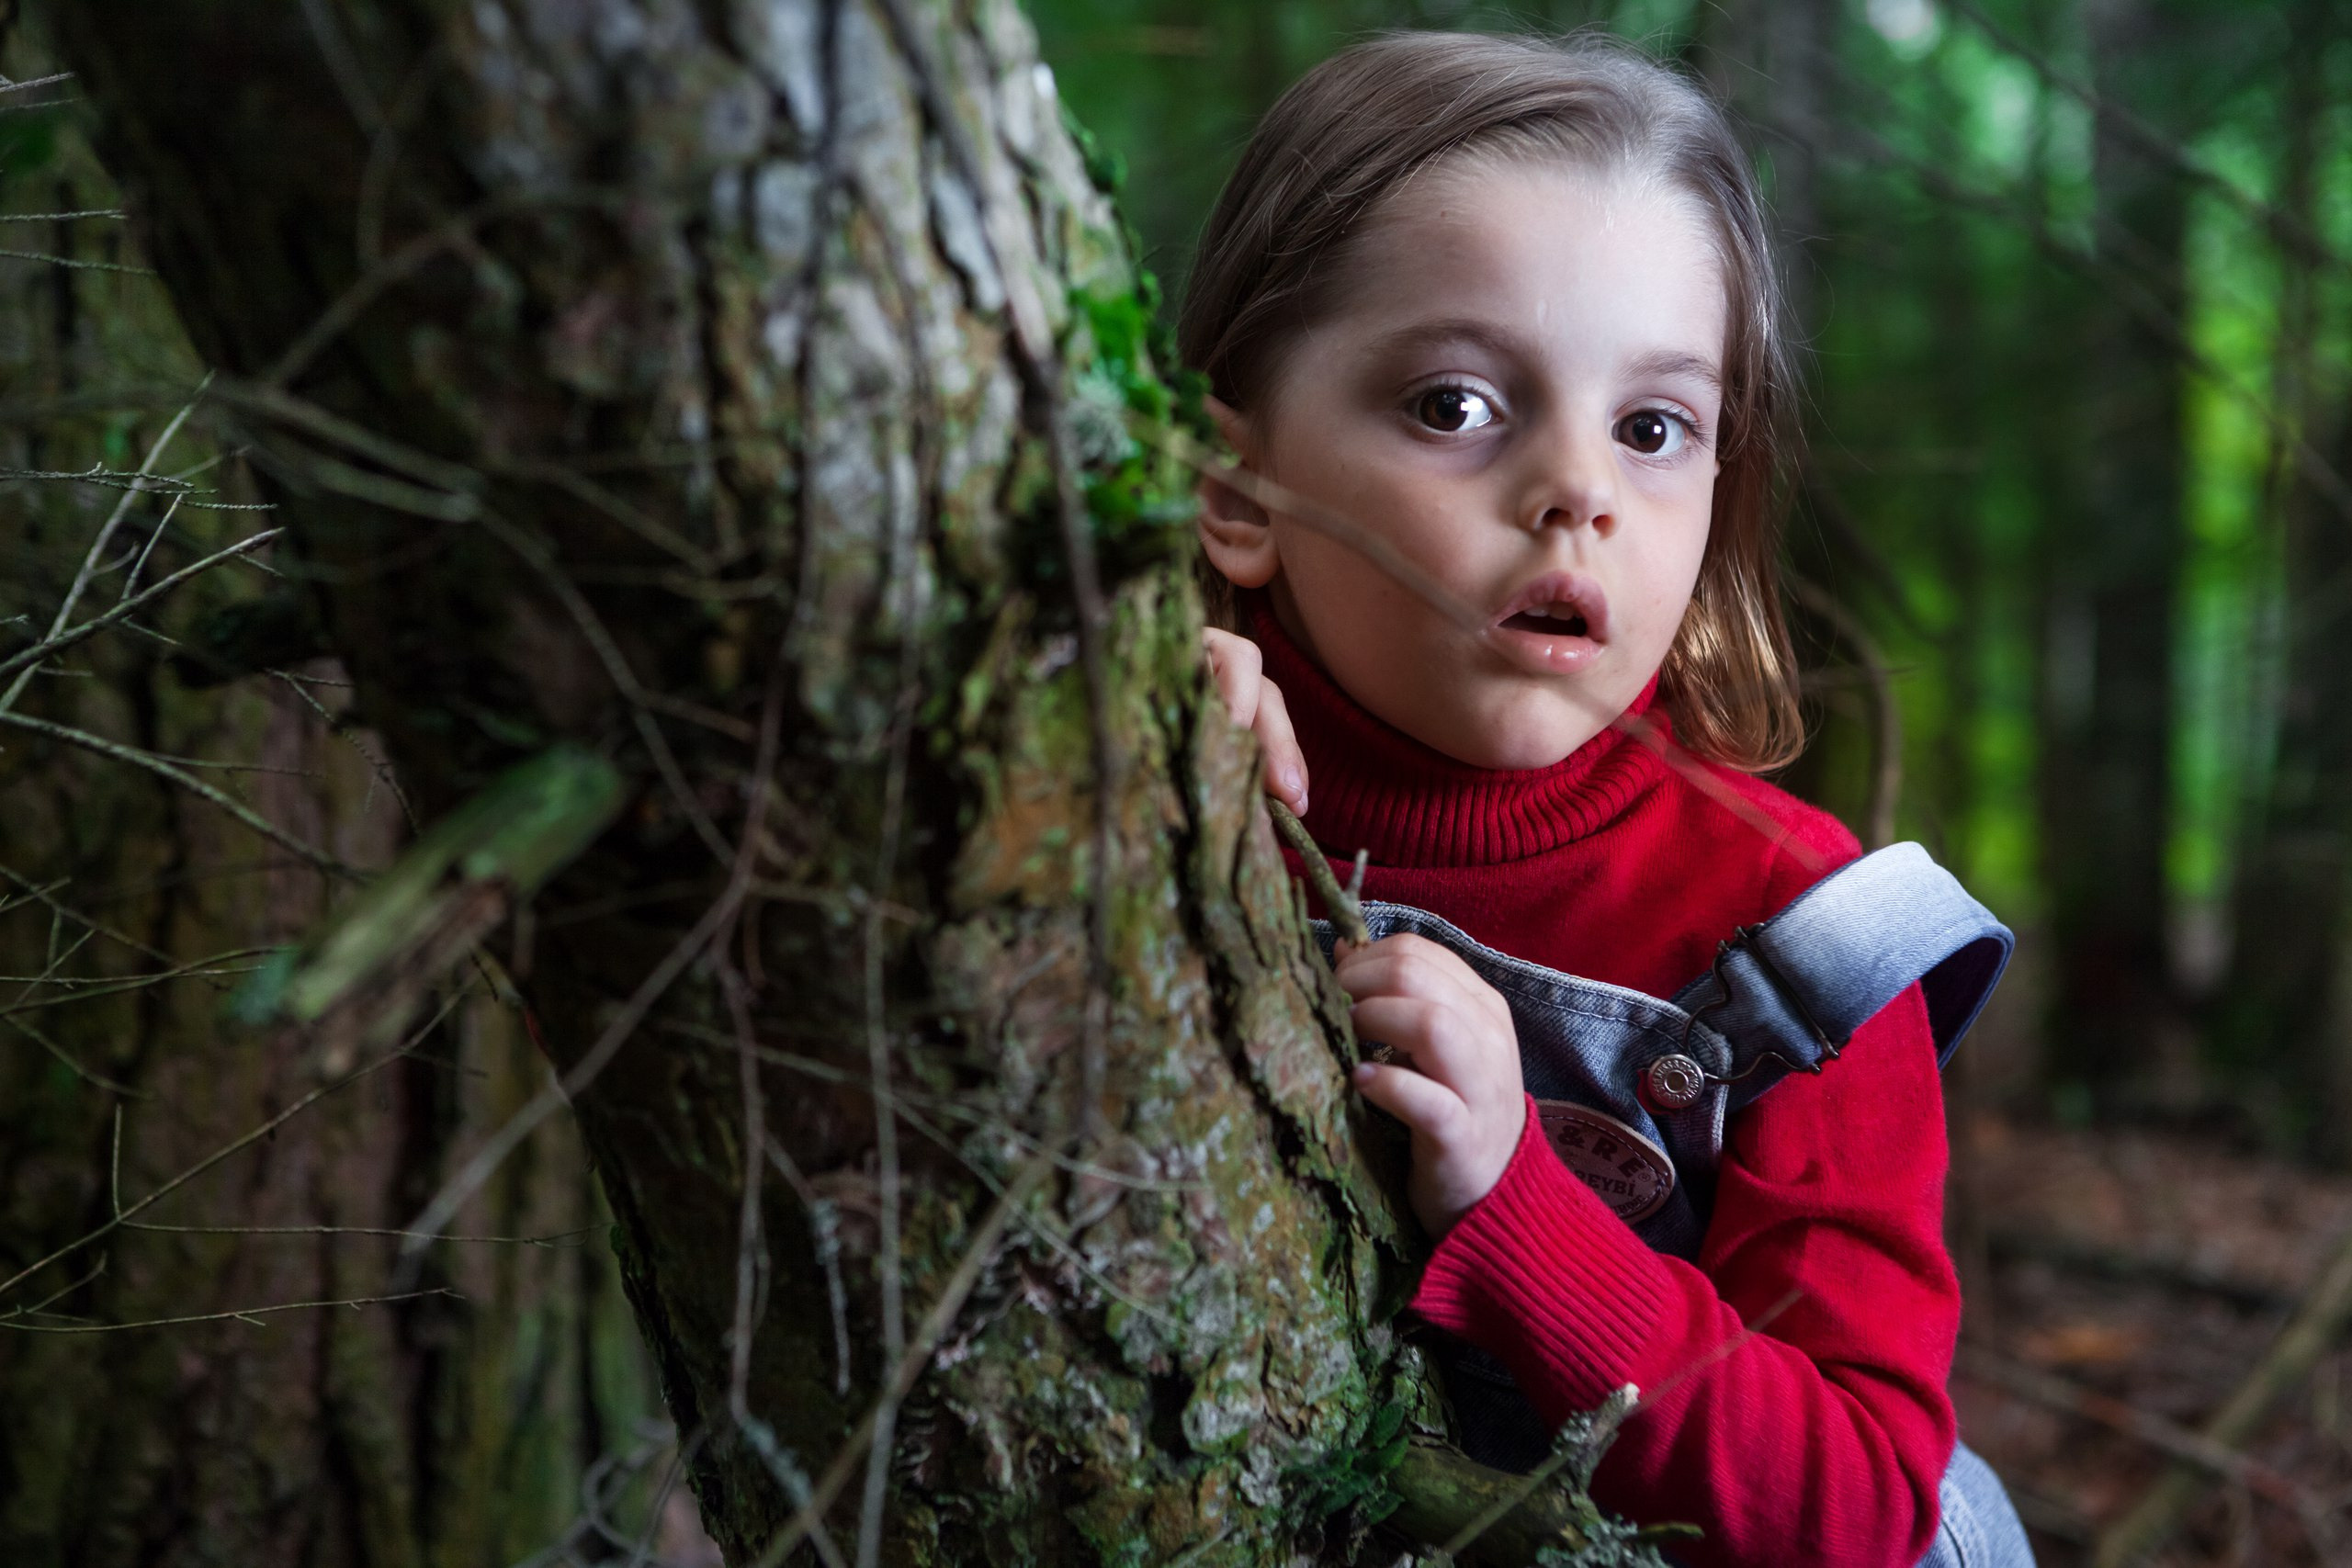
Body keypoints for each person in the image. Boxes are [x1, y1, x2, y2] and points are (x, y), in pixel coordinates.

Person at [1182, 30, 2034, 1568]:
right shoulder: (1168, 769)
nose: (1579, 489)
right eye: (1455, 404)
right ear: (1238, 492)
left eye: (1654, 428)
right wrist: (1131, 782)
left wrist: (1522, 1205)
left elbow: (1862, 1504)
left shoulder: (1794, 936)